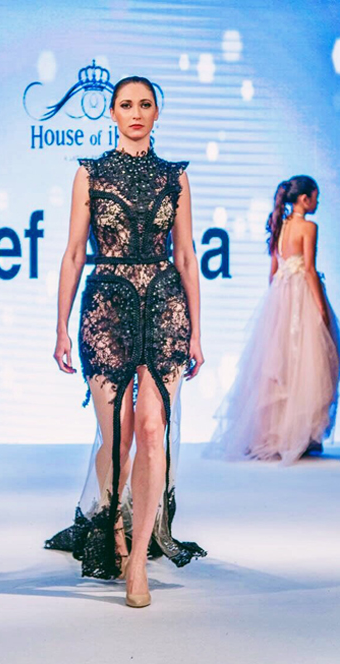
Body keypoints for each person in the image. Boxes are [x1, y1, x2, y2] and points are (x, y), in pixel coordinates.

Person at [46, 76, 206, 608]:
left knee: (153, 429)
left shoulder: (176, 178)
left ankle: (137, 559)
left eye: (145, 105)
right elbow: (73, 253)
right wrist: (60, 326)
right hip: (107, 306)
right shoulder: (89, 174)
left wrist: (198, 334)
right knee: (116, 438)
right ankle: (113, 525)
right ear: (111, 113)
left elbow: (186, 257)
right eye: (125, 105)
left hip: (165, 305)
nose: (135, 113)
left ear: (158, 113)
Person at [211, 176, 339, 463]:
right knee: (305, 363)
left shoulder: (279, 225)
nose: (317, 202)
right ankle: (298, 436)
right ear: (305, 199)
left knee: (279, 364)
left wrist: (275, 305)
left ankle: (279, 434)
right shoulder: (308, 227)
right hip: (301, 295)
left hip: (280, 295)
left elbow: (272, 271)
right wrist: (320, 309)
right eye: (316, 197)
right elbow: (308, 269)